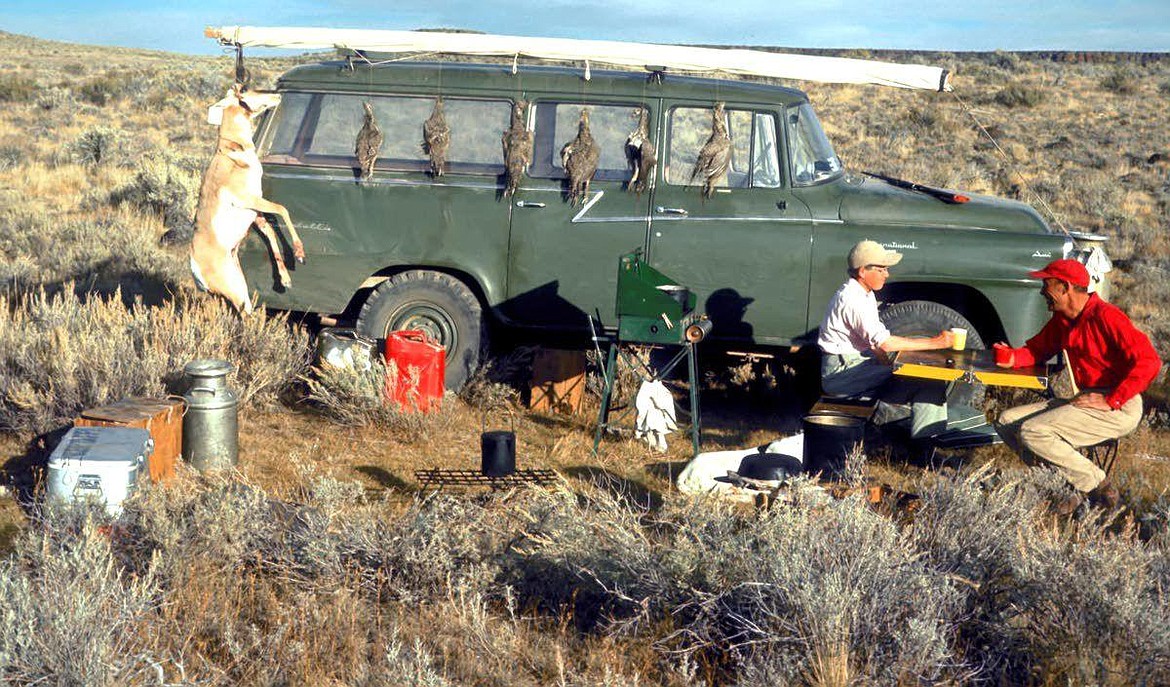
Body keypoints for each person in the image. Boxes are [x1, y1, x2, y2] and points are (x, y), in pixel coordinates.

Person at [993, 258, 1162, 513]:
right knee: (1006, 421)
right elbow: (1036, 351)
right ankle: (1068, 485)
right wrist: (1013, 357)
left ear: (1065, 287)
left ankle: (1097, 484)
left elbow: (1150, 362)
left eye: (1046, 284)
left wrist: (1111, 400)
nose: (1042, 292)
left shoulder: (1107, 317)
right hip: (1088, 400)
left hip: (1120, 406)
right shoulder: (1063, 321)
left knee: (1033, 432)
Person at [817, 240, 956, 439]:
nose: (887, 274)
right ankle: (926, 448)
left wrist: (887, 362)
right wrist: (936, 343)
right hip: (843, 375)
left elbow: (872, 342)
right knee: (928, 383)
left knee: (926, 380)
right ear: (863, 271)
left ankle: (925, 444)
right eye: (882, 269)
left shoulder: (863, 293)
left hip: (855, 366)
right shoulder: (852, 300)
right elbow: (885, 342)